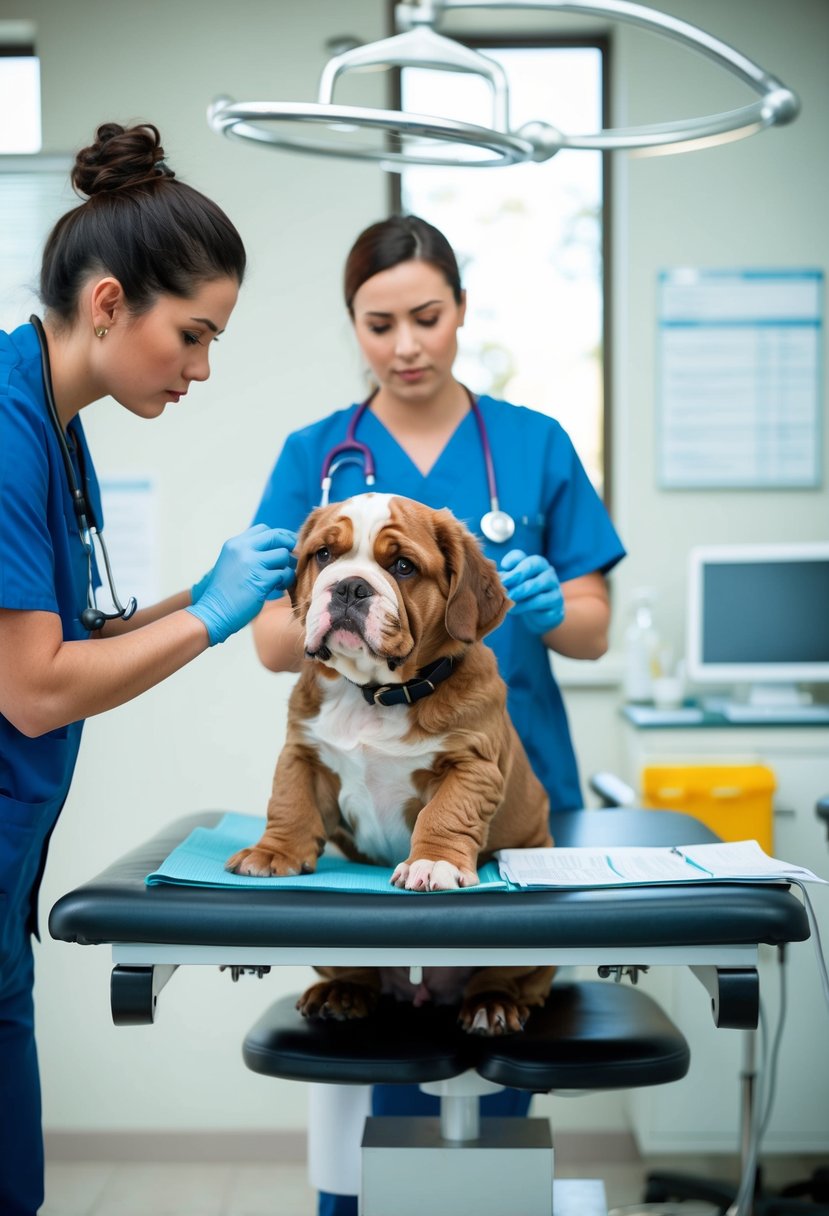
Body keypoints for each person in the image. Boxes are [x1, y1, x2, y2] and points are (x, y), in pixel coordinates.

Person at [250, 214, 626, 1216]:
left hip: (512, 780)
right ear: (354, 328)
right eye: (379, 324)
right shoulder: (315, 455)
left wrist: (548, 604)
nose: (405, 344)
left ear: (460, 312)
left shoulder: (534, 443)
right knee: (375, 1068)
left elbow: (592, 630)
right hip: (369, 795)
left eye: (427, 316)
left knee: (499, 1052)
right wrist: (335, 603)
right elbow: (267, 638)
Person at [0, 122, 297, 1216]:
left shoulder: (54, 419)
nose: (203, 369)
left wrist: (215, 591)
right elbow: (32, 687)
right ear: (113, 302)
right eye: (194, 334)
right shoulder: (4, 420)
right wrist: (214, 619)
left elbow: (79, 636)